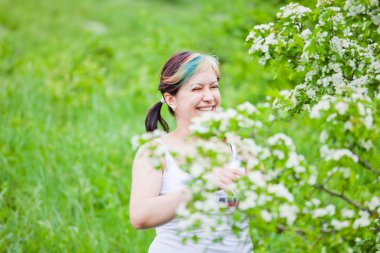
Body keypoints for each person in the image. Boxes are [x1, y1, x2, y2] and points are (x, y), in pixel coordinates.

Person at [129, 51, 253, 253]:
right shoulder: (155, 152)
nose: (209, 97)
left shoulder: (240, 146)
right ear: (171, 100)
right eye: (197, 89)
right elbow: (139, 217)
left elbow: (273, 214)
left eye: (214, 87)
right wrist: (199, 187)